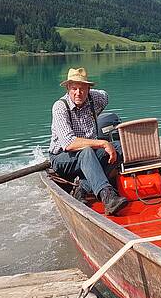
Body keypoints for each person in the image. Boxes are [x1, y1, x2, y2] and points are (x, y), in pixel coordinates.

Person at [49, 67, 128, 215]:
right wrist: (103, 143)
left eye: (82, 88)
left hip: (89, 153)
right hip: (62, 158)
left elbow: (106, 96)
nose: (78, 93)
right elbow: (69, 144)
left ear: (88, 89)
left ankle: (82, 188)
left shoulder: (94, 98)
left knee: (121, 147)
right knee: (86, 151)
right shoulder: (60, 107)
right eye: (74, 88)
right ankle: (108, 196)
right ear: (67, 88)